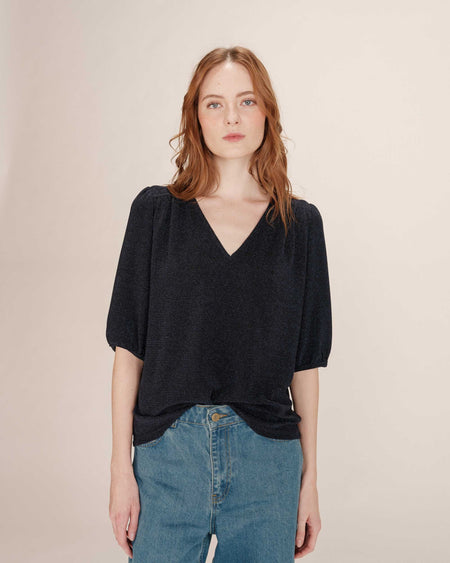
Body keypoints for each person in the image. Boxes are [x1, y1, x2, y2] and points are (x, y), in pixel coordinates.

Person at [106, 46, 332, 563]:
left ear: (267, 112)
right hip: (167, 457)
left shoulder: (300, 226)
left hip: (268, 464)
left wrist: (310, 481)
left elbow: (305, 365)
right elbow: (128, 354)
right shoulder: (155, 214)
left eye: (246, 101)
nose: (232, 117)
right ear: (196, 117)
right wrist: (121, 472)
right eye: (215, 103)